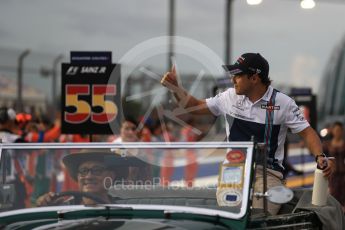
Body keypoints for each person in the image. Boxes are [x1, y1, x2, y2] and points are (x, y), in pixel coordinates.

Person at [161, 53, 335, 215]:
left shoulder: (284, 103)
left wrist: (320, 156)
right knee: (231, 217)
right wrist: (176, 89)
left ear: (254, 78)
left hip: (268, 173)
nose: (232, 79)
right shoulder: (228, 97)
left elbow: (307, 133)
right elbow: (192, 106)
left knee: (259, 218)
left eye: (237, 75)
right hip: (234, 170)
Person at [36, 150, 134, 206]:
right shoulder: (65, 209)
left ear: (111, 176)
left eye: (97, 170)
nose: (89, 176)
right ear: (78, 177)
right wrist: (44, 205)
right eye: (83, 171)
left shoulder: (122, 209)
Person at [323, 121, 345, 212]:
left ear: (342, 131)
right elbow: (321, 157)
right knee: (334, 196)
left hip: (344, 174)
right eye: (336, 130)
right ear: (332, 131)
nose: (338, 132)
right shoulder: (327, 144)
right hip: (333, 175)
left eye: (339, 130)